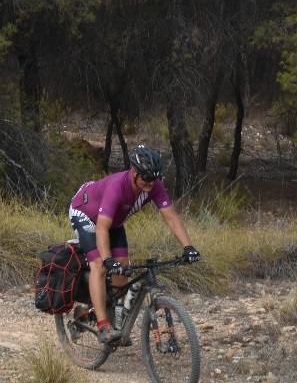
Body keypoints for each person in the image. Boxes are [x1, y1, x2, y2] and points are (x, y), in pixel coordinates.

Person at [68, 144, 200, 343]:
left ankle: (92, 311)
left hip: (113, 220)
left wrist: (188, 247)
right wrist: (107, 259)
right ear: (134, 172)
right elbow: (102, 228)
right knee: (99, 266)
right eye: (146, 177)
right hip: (84, 213)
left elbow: (171, 217)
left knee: (123, 270)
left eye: (155, 178)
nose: (150, 182)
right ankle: (104, 326)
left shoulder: (154, 185)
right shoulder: (117, 187)